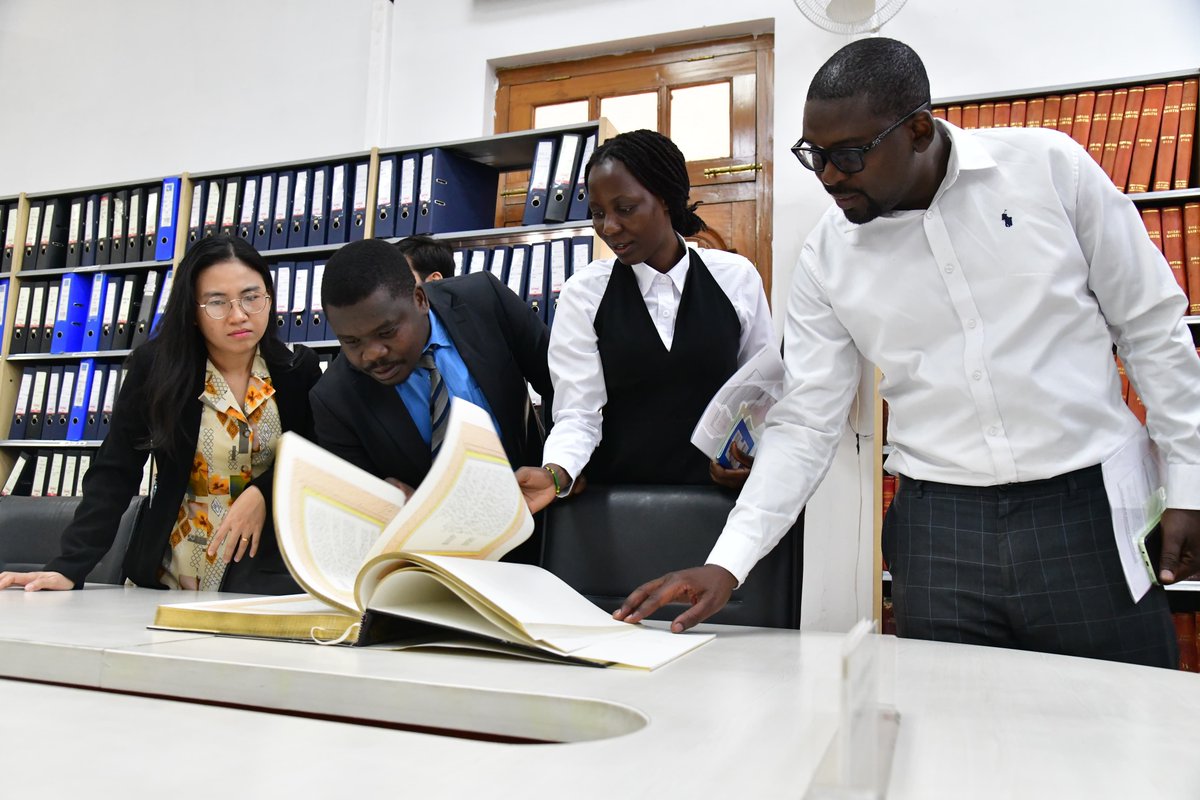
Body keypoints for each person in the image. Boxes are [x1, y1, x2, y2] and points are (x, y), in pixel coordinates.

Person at [616, 38, 1200, 669]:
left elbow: (1151, 328)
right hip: (939, 529)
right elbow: (807, 419)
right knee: (954, 744)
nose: (829, 177)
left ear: (918, 130)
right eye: (814, 155)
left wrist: (1190, 483)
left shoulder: (1048, 170)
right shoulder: (827, 256)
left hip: (1085, 511)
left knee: (1122, 729)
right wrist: (728, 562)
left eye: (849, 155)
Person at [0, 236, 322, 593]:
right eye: (217, 302)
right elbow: (115, 470)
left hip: (269, 572)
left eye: (251, 297)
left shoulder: (297, 370)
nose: (238, 315)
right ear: (193, 311)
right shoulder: (157, 369)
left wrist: (262, 493)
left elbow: (317, 459)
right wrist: (69, 566)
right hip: (175, 570)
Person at [518, 129, 773, 512]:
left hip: (720, 506)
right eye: (598, 213)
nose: (609, 228)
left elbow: (761, 395)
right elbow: (578, 414)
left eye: (625, 208)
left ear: (667, 199)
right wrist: (557, 472)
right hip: (615, 512)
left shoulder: (736, 278)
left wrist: (754, 460)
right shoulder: (583, 294)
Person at [310, 238, 552, 499]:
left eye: (387, 332)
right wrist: (386, 502)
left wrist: (560, 465)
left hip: (537, 509)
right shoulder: (334, 400)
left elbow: (563, 385)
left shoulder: (484, 300)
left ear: (419, 299)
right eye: (351, 341)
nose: (371, 354)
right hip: (434, 537)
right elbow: (360, 500)